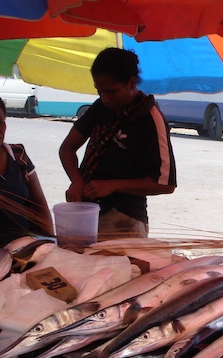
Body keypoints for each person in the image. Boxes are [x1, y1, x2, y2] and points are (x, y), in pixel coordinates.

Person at [59, 48, 176, 239]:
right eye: (100, 91)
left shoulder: (150, 119)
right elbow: (67, 148)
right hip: (87, 211)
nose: (105, 98)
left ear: (131, 83)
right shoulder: (100, 107)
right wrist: (77, 181)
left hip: (124, 220)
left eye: (112, 92)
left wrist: (113, 185)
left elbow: (164, 184)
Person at [0, 94, 54, 247]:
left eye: (0, 123)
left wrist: (49, 241)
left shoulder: (17, 154)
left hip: (23, 245)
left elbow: (39, 204)